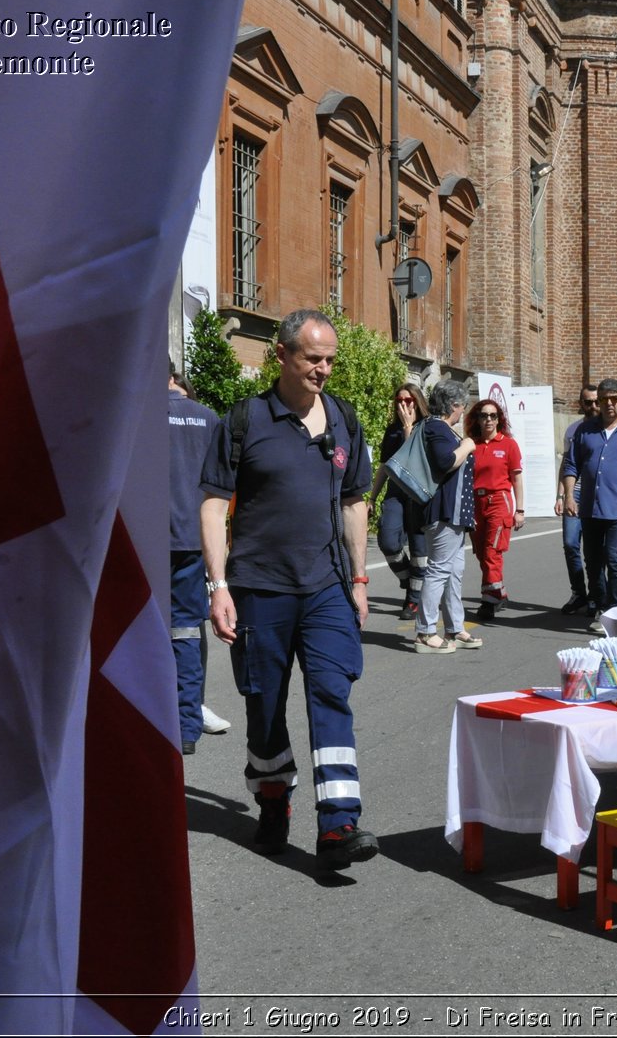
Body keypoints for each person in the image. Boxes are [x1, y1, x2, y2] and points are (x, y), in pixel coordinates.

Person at [198, 308, 378, 870]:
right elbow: (211, 503)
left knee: (331, 692)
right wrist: (219, 584)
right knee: (264, 706)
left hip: (326, 585)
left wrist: (359, 576)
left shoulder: (345, 419)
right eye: (313, 359)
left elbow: (354, 501)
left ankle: (338, 823)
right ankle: (273, 798)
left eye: (330, 360)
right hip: (259, 588)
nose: (324, 370)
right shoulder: (245, 420)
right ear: (282, 355)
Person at [560, 377, 617, 633]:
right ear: (598, 401)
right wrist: (568, 496)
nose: (609, 404)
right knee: (592, 561)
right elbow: (571, 465)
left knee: (614, 559)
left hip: (616, 509)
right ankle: (600, 606)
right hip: (588, 508)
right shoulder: (584, 431)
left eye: (614, 399)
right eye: (604, 399)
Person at [168, 366, 228, 755]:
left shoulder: (139, 416)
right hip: (194, 538)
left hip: (148, 540)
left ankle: (153, 716)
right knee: (187, 632)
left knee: (145, 632)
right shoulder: (208, 418)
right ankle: (187, 725)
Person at [413, 381, 480, 653]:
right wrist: (467, 446)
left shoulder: (438, 428)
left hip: (452, 513)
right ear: (454, 406)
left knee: (454, 572)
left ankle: (454, 627)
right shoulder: (437, 428)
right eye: (462, 406)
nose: (463, 412)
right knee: (439, 570)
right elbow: (444, 462)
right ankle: (425, 632)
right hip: (444, 512)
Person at [368, 383, 429, 620]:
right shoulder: (392, 430)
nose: (403, 405)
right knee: (388, 541)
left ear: (418, 401)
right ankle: (408, 580)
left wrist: (408, 428)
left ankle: (413, 601)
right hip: (396, 492)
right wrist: (372, 497)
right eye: (399, 401)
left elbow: (415, 458)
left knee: (419, 550)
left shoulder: (427, 427)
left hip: (420, 496)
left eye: (409, 400)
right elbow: (385, 466)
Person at [464, 397, 524, 621]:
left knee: (492, 552)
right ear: (477, 419)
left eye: (493, 415)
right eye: (483, 415)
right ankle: (499, 591)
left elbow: (516, 479)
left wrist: (520, 510)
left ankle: (489, 602)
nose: (488, 419)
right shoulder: (472, 444)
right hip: (475, 503)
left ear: (499, 419)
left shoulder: (508, 444)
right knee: (481, 554)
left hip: (499, 501)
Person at [554, 384, 600, 617]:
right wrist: (561, 495)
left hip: (596, 495)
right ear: (580, 404)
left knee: (594, 550)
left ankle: (595, 596)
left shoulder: (605, 428)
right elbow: (566, 464)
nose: (593, 406)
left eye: (595, 402)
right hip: (575, 493)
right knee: (571, 544)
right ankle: (578, 593)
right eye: (588, 402)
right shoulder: (572, 430)